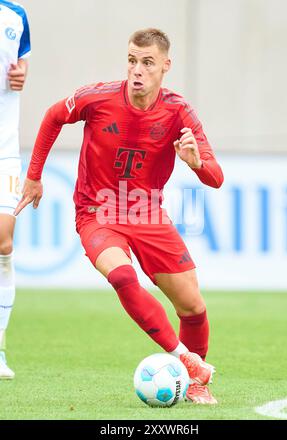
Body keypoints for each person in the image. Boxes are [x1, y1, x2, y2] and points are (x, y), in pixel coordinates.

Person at [15, 29, 224, 404]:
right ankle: (186, 361)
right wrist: (34, 176)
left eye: (147, 62)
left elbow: (216, 177)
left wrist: (196, 165)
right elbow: (51, 117)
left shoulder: (179, 111)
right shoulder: (97, 97)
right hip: (97, 212)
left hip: (148, 215)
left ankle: (196, 384)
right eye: (131, 60)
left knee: (192, 307)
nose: (137, 70)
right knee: (123, 276)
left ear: (165, 66)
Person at [0, 0, 31, 379]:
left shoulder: (16, 16)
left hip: (4, 152)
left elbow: (19, 68)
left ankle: (0, 348)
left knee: (4, 242)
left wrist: (22, 74)